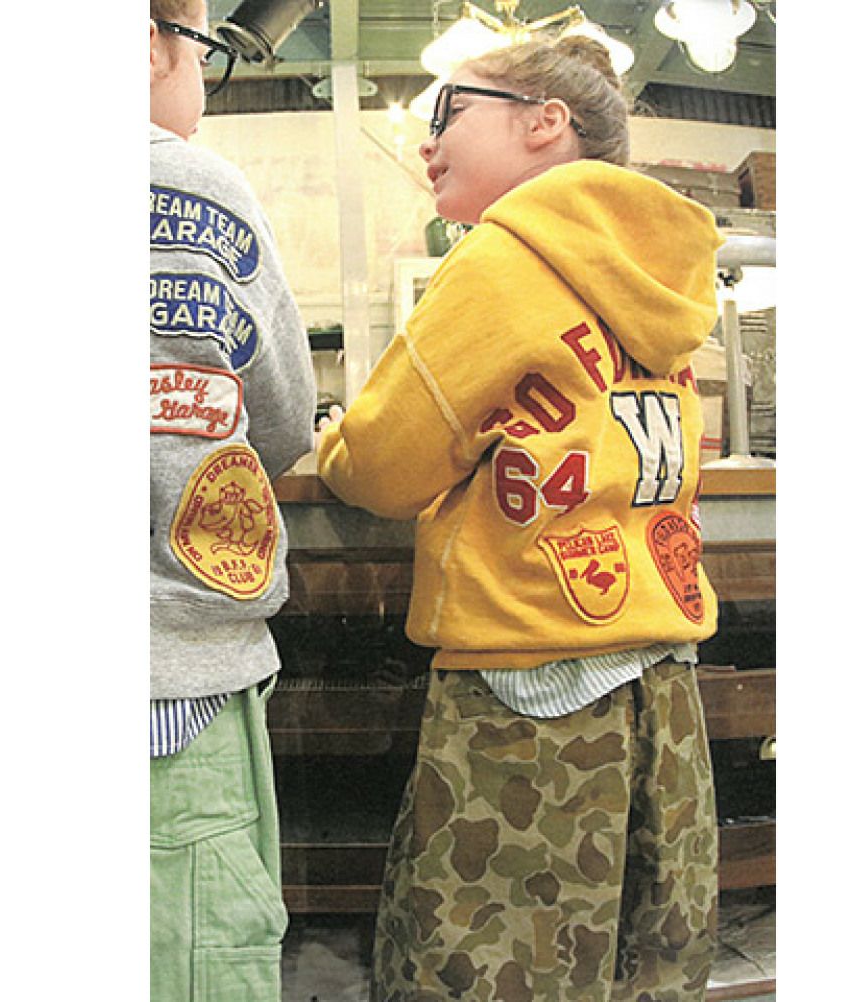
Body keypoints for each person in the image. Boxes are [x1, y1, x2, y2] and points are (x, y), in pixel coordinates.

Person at [316, 35, 724, 1002]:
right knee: (644, 962)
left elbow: (380, 468)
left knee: (490, 966)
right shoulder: (663, 271)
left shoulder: (503, 259)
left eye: (449, 109)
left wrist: (335, 441)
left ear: (545, 123)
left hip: (530, 686)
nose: (427, 142)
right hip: (664, 684)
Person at [149, 2, 315, 999]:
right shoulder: (191, 182)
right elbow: (285, 418)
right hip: (171, 681)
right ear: (145, 44)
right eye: (205, 51)